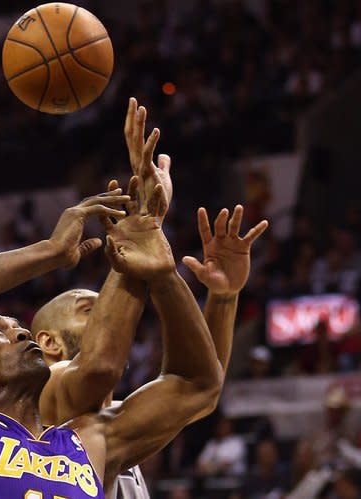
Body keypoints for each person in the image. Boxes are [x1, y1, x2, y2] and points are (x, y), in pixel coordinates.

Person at [0, 157, 224, 498]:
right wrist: (51, 251)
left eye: (20, 328)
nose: (21, 333)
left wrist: (163, 275)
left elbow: (197, 385)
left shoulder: (91, 440)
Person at [32, 98, 268, 498]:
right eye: (91, 309)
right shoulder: (46, 399)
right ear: (49, 343)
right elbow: (100, 367)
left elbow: (199, 387)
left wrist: (223, 299)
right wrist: (144, 232)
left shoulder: (112, 419)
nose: (113, 318)